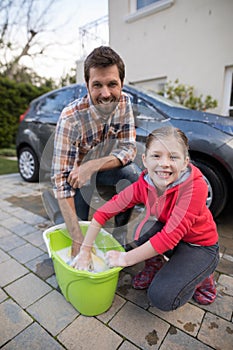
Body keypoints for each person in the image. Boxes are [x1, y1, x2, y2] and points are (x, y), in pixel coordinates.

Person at [73, 126, 219, 311]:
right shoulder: (143, 184)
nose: (164, 163)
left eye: (173, 157)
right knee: (140, 228)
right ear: (145, 159)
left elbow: (169, 237)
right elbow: (104, 212)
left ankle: (203, 275)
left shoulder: (195, 187)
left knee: (162, 297)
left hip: (199, 245)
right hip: (171, 236)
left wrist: (126, 259)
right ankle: (155, 264)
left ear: (185, 162)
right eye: (156, 156)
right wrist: (85, 250)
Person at [51, 46, 141, 258]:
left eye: (112, 84)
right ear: (87, 86)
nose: (105, 93)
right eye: (97, 85)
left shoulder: (125, 103)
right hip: (76, 178)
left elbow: (129, 149)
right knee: (75, 232)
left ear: (122, 83)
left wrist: (92, 165)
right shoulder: (70, 118)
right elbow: (61, 182)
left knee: (133, 176)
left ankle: (119, 237)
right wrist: (77, 238)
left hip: (99, 169)